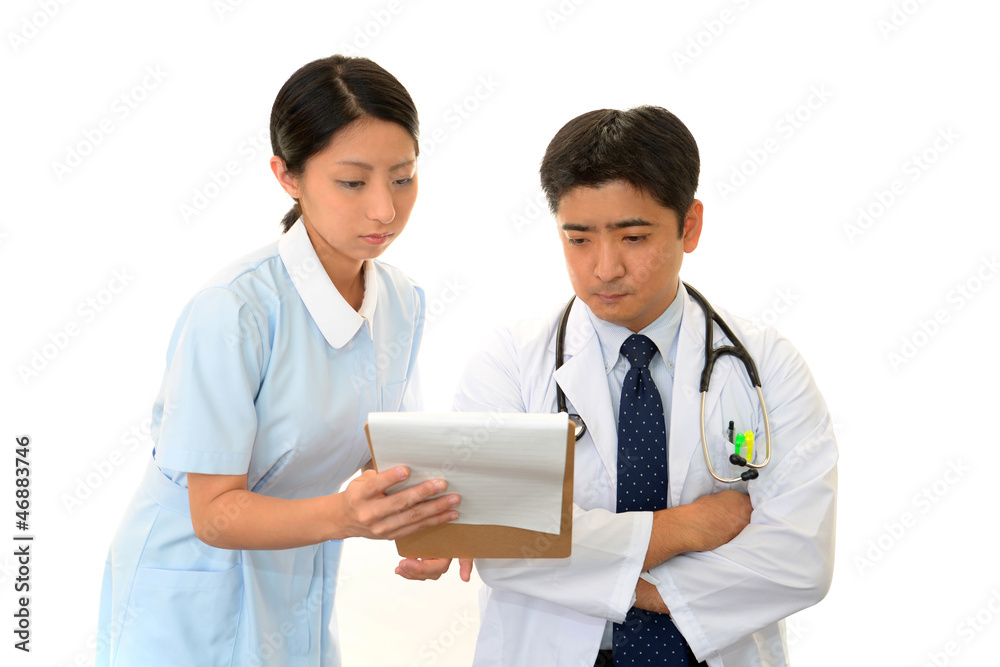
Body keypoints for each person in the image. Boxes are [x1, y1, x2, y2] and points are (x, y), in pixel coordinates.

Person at [397, 106, 838, 666]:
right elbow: (502, 544)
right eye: (578, 239)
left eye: (633, 237)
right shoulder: (508, 363)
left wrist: (621, 583)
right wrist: (689, 528)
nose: (605, 268)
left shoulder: (767, 364)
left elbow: (799, 559)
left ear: (690, 226)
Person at [95, 55, 462, 666]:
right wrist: (345, 514)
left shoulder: (401, 300)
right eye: (353, 182)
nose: (384, 209)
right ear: (287, 176)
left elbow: (391, 447)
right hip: (188, 584)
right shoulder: (235, 309)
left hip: (297, 568)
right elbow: (214, 514)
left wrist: (434, 524)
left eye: (402, 178)